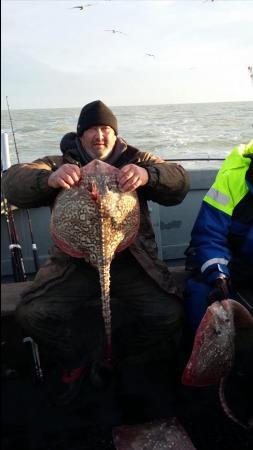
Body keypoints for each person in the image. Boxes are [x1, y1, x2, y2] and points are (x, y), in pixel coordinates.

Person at [3, 100, 190, 406]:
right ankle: (76, 360)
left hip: (132, 260)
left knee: (169, 313)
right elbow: (12, 181)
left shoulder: (138, 159)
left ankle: (123, 359)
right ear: (80, 135)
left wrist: (147, 175)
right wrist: (48, 179)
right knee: (31, 314)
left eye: (106, 129)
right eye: (92, 129)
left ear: (115, 134)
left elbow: (178, 179)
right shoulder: (58, 162)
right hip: (74, 263)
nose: (99, 136)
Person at [184, 139, 253, 428]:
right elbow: (209, 235)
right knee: (204, 301)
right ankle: (207, 383)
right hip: (231, 268)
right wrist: (218, 274)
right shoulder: (233, 179)